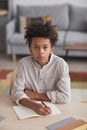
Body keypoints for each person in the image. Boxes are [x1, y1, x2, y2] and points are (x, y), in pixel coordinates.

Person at [11, 21, 71, 116]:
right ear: (30, 48)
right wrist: (34, 106)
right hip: (28, 110)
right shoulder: (23, 64)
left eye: (45, 47)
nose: (41, 52)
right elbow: (16, 92)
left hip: (54, 111)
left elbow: (65, 97)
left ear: (52, 48)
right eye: (36, 47)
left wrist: (35, 95)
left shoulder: (60, 64)